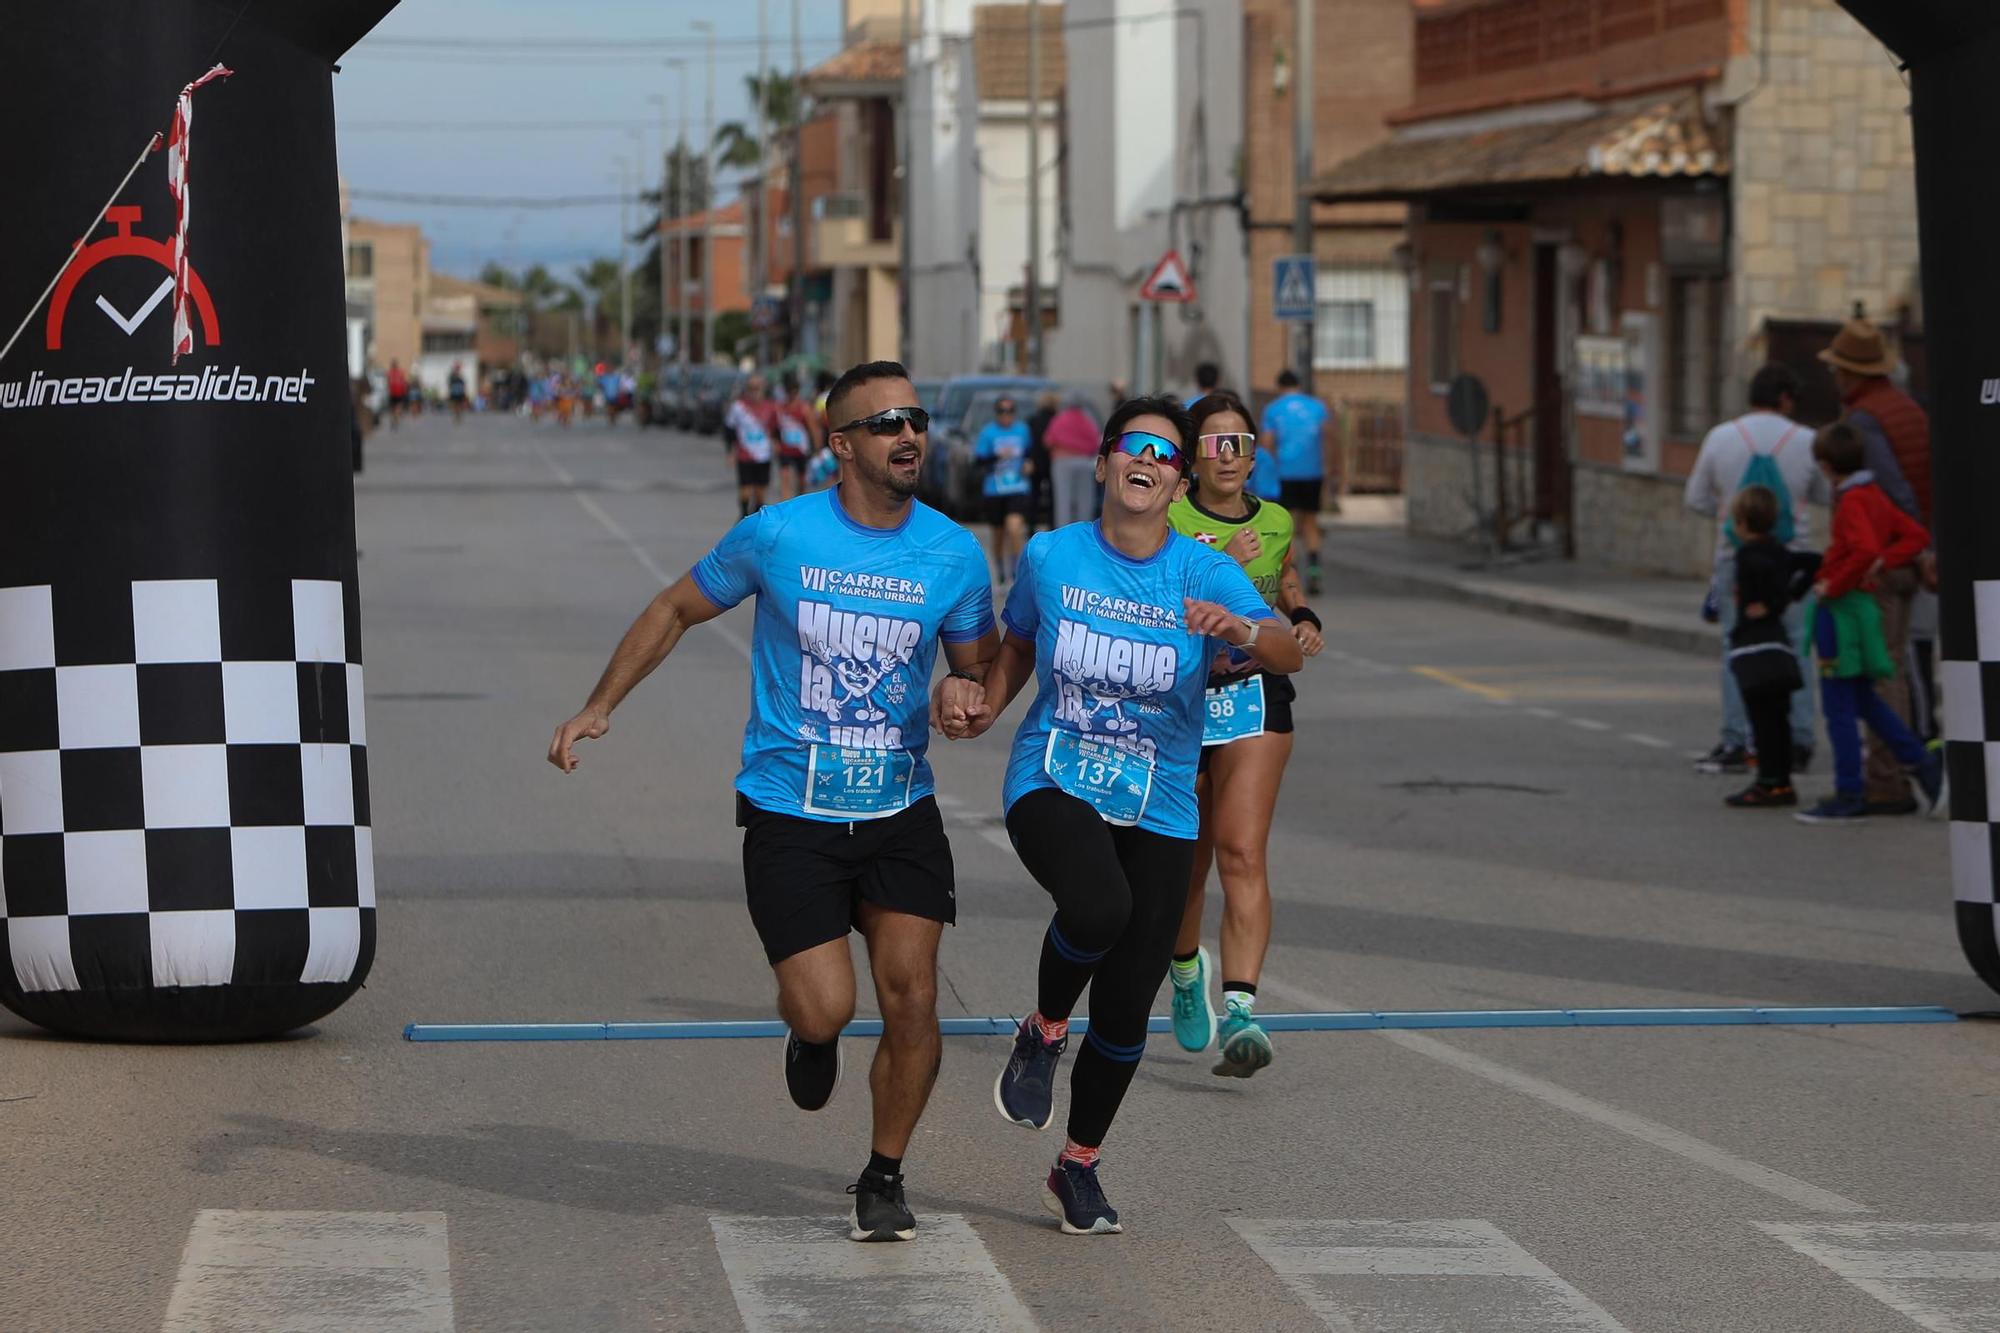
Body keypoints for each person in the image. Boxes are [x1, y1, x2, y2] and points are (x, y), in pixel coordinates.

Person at [549, 360, 998, 1242]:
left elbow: (977, 663)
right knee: (826, 1005)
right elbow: (675, 608)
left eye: (915, 418)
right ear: (841, 445)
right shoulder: (779, 535)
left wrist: (965, 688)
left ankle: (883, 1174)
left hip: (899, 806)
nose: (909, 434)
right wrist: (601, 704)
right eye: (886, 423)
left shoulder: (953, 551)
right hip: (790, 811)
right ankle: (812, 1035)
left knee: (912, 996)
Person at [933, 396, 1301, 1234]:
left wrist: (1242, 627)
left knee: (1131, 1003)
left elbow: (1286, 648)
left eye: (1167, 455)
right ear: (1102, 463)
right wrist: (984, 705)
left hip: (1160, 798)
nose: (1148, 460)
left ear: (1178, 483)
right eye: (1134, 445)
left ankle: (1077, 1166)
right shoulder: (1052, 555)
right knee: (1100, 905)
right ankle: (1043, 1030)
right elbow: (1018, 643)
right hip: (1054, 774)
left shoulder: (1202, 571)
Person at [1163, 392, 1323, 1075]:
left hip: (1254, 693)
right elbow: (1145, 595)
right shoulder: (1168, 517)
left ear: (1255, 456)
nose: (1228, 456)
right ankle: (1184, 970)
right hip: (1178, 700)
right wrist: (1222, 557)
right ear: (1193, 457)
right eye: (1213, 443)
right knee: (1187, 863)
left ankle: (1241, 1011)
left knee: (1241, 850)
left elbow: (1283, 572)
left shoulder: (1278, 519)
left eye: (1240, 443)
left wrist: (1302, 612)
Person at [1794, 422, 1944, 825]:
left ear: (1826, 466)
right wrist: (1886, 561)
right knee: (1866, 701)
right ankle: (1925, 767)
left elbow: (1863, 549)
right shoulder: (1875, 493)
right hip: (1863, 608)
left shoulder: (1852, 500)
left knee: (1839, 707)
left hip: (1841, 609)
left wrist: (1835, 584)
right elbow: (1915, 535)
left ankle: (1849, 792)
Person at [1682, 363, 1826, 777]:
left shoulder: (1721, 437)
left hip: (1735, 558)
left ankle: (1738, 738)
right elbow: (1822, 494)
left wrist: (1729, 514)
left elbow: (1696, 498)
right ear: (1785, 398)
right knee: (1796, 649)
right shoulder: (1806, 440)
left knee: (1737, 648)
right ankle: (1798, 740)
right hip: (1792, 558)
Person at [1820, 315, 1936, 813]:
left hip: (1882, 562)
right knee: (1896, 666)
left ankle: (1888, 781)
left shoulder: (1865, 421)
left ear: (1851, 373)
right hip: (1903, 553)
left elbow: (1895, 489)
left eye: (1837, 369)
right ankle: (1899, 773)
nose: (1834, 377)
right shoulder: (1903, 407)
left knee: (1881, 671)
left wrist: (1907, 552)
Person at [1722, 485, 1816, 809]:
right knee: (1779, 717)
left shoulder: (1748, 555)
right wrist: (1790, 597)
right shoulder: (1780, 551)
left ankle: (1769, 781)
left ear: (1742, 522)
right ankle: (1782, 781)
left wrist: (1771, 604)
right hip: (1777, 641)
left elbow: (1764, 582)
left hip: (1754, 643)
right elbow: (1814, 562)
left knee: (1762, 718)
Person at [1260, 370, 1329, 592]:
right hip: (1313, 472)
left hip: (1285, 473)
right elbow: (1329, 438)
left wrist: (1271, 466)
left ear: (1279, 387)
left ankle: (1293, 571)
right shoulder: (1317, 407)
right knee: (1310, 522)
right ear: (1298, 385)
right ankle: (1315, 569)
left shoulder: (1273, 409)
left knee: (1287, 523)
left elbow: (1267, 442)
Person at [975, 396, 1034, 582]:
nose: (1006, 415)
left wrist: (1029, 464)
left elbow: (1030, 453)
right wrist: (997, 456)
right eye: (1002, 411)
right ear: (996, 413)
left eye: (1010, 411)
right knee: (998, 533)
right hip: (995, 489)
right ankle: (1000, 568)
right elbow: (978, 461)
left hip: (1018, 487)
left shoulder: (1022, 430)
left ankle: (1017, 570)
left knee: (1014, 527)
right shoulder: (988, 432)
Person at [725, 373, 781, 517]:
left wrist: (777, 443)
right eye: (752, 388)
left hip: (764, 455)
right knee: (745, 491)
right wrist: (730, 451)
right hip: (745, 455)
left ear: (763, 388)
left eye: (758, 387)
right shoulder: (739, 407)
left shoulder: (771, 407)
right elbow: (729, 430)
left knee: (760, 494)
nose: (755, 391)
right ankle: (743, 517)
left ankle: (755, 520)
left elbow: (776, 428)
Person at [1044, 396, 1103, 528]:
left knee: (1063, 501)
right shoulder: (1087, 420)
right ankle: (1082, 532)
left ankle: (1063, 533)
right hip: (1084, 462)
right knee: (1085, 501)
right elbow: (1095, 441)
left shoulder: (1060, 419)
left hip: (1062, 461)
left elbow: (1048, 441)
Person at [774, 373, 818, 502]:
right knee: (785, 478)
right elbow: (775, 428)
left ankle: (800, 502)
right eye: (789, 391)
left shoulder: (804, 408)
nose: (792, 394)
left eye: (794, 391)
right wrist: (775, 443)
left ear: (797, 391)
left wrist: (817, 448)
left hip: (801, 449)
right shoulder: (780, 408)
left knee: (801, 480)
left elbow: (813, 429)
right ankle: (786, 505)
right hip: (785, 449)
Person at [1027, 389, 1060, 531]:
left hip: (1035, 460)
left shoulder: (1033, 420)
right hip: (1053, 460)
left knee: (1034, 495)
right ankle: (1052, 526)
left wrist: (1029, 459)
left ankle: (1031, 526)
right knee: (1053, 496)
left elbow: (1029, 441)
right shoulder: (1057, 420)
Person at [386, 359, 408, 429]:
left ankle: (394, 419)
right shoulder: (400, 372)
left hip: (393, 393)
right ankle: (396, 419)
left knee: (393, 408)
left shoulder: (389, 373)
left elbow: (388, 383)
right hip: (398, 393)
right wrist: (404, 392)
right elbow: (403, 383)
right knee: (397, 407)